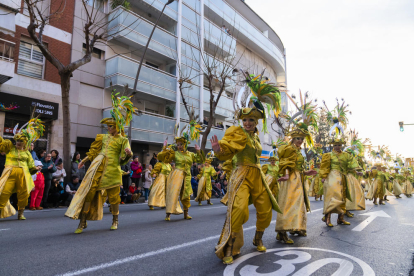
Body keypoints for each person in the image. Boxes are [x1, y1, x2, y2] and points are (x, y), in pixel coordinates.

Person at [211, 73, 282, 265]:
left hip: (257, 174)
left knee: (266, 209)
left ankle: (257, 239)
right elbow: (228, 148)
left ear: (256, 122)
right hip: (242, 173)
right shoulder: (237, 133)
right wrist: (219, 150)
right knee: (239, 210)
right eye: (245, 120)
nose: (248, 123)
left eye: (251, 120)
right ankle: (231, 247)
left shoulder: (256, 138)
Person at [65, 93, 135, 233]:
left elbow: (124, 159)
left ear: (117, 126)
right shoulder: (103, 138)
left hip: (113, 170)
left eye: (111, 125)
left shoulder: (122, 140)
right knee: (88, 193)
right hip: (97, 167)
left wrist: (129, 154)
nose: (108, 128)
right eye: (108, 125)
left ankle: (115, 220)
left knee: (114, 197)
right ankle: (82, 222)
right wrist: (84, 160)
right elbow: (93, 152)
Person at [276, 121, 317, 244]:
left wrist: (306, 173)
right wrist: (287, 175)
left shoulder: (299, 151)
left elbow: (299, 168)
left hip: (298, 179)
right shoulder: (289, 149)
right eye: (298, 138)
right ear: (293, 139)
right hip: (291, 180)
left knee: (299, 204)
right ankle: (282, 231)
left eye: (302, 139)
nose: (300, 140)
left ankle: (296, 227)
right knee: (289, 204)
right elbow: (286, 163)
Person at [0, 119, 44, 220]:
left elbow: (31, 166)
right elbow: (1, 145)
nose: (18, 143)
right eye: (17, 140)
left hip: (24, 176)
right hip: (9, 174)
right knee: (3, 192)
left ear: (25, 142)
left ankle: (21, 213)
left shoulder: (27, 153)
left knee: (23, 194)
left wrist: (35, 168)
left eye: (21, 141)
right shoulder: (10, 148)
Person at [158, 134, 204, 221]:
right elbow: (164, 159)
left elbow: (200, 160)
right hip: (177, 175)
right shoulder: (175, 153)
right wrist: (164, 148)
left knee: (186, 194)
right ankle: (168, 214)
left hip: (187, 176)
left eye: (181, 144)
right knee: (173, 194)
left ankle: (186, 213)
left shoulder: (190, 154)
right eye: (178, 145)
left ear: (185, 144)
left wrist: (198, 151)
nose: (179, 146)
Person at [320, 136, 361, 226]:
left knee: (343, 197)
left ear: (341, 145)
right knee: (332, 197)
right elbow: (325, 167)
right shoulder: (329, 155)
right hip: (332, 178)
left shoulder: (346, 155)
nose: (337, 147)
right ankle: (328, 219)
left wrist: (356, 172)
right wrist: (323, 176)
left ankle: (340, 218)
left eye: (339, 145)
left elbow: (349, 166)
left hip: (343, 178)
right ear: (333, 146)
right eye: (335, 145)